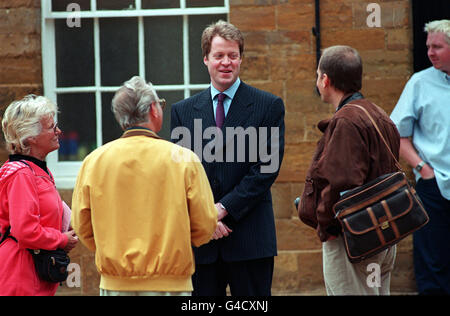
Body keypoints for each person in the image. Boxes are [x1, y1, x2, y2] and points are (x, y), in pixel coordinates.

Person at [71, 76, 217, 296]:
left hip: (115, 284)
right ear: (153, 109)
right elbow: (205, 224)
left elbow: (82, 226)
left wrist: (112, 250)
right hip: (171, 284)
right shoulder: (184, 159)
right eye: (161, 104)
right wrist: (178, 244)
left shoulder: (94, 161)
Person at [170, 20, 285, 296]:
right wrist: (204, 218)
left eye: (233, 56)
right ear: (206, 59)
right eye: (219, 55)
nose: (226, 62)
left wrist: (221, 210)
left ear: (241, 59)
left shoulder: (268, 106)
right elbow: (179, 175)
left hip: (250, 239)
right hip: (202, 243)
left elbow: (265, 171)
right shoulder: (183, 112)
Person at [297, 45, 400, 295]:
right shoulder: (378, 114)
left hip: (352, 239)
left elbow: (342, 182)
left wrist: (328, 228)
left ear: (325, 79)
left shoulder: (346, 120)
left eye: (317, 75)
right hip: (381, 236)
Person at [390, 19, 450, 295]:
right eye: (428, 46)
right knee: (432, 265)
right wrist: (423, 169)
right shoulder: (419, 83)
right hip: (434, 187)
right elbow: (397, 135)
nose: (430, 52)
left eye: (437, 46)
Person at [0, 95, 78, 296]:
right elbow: (26, 231)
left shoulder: (37, 171)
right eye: (52, 127)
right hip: (19, 277)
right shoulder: (22, 174)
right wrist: (61, 240)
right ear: (30, 137)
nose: (58, 132)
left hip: (31, 274)